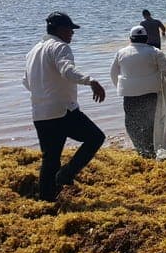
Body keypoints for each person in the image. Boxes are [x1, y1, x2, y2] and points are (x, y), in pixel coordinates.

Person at [23, 12, 106, 202]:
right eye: (70, 29)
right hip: (62, 110)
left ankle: (46, 200)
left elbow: (26, 82)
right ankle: (67, 174)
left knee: (50, 159)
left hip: (40, 113)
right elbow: (66, 69)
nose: (72, 33)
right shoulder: (60, 47)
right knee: (95, 138)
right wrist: (90, 80)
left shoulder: (33, 51)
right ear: (60, 29)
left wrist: (44, 92)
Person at [110, 26, 166, 158]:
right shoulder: (154, 52)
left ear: (130, 38)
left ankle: (139, 148)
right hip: (150, 93)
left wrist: (121, 87)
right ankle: (150, 148)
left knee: (131, 121)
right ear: (146, 38)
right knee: (150, 121)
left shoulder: (121, 52)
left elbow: (113, 73)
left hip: (129, 94)